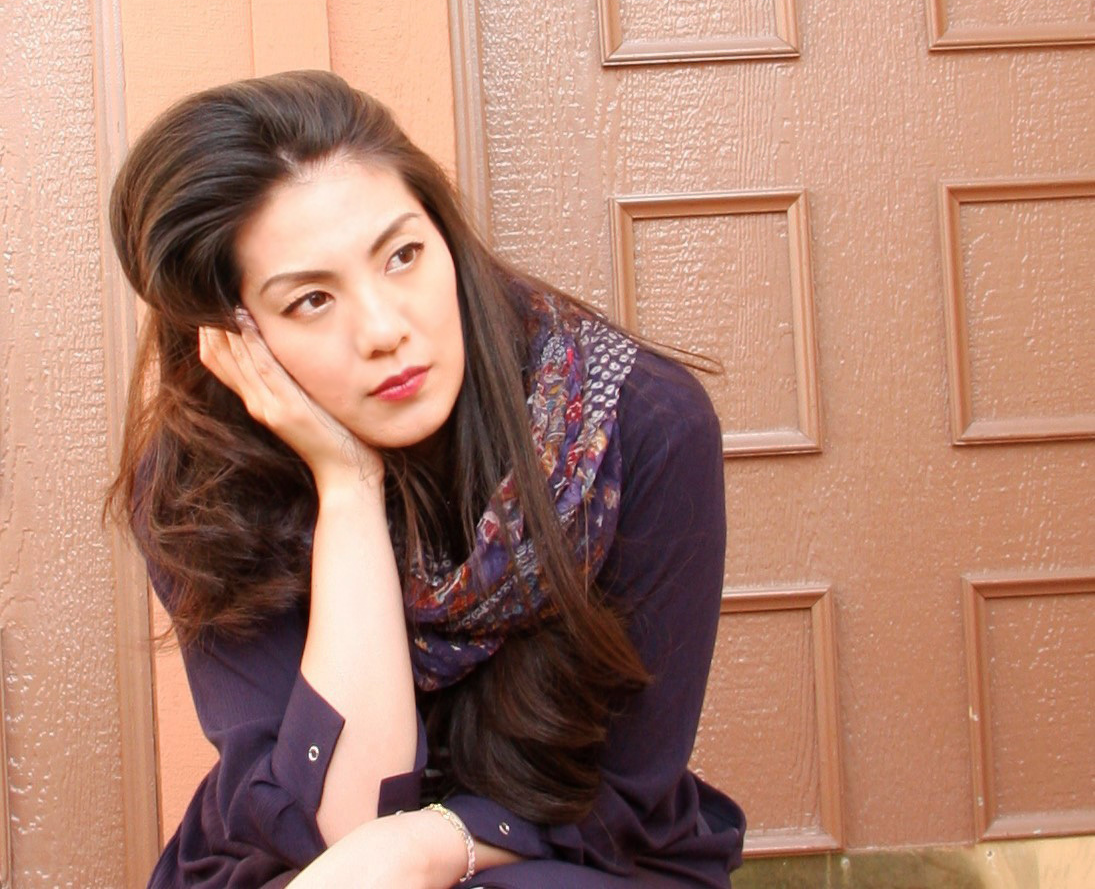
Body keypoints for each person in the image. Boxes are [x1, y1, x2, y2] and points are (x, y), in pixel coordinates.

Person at [107, 70, 745, 888]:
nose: (384, 329)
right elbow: (337, 817)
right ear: (235, 337)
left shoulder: (634, 429)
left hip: (577, 845)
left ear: (445, 235)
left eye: (402, 256)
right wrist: (347, 488)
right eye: (310, 300)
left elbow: (621, 792)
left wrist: (416, 847)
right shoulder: (202, 488)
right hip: (300, 847)